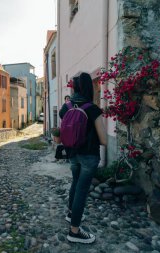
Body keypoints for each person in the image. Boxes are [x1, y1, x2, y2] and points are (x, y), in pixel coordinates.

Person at [59, 72, 107, 244]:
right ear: (89, 87)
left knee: (75, 182)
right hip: (89, 156)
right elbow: (103, 140)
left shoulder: (67, 106)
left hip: (72, 153)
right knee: (82, 190)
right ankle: (74, 231)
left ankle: (71, 213)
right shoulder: (92, 109)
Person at [55, 95, 71, 161]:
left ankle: (65, 157)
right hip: (66, 126)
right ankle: (64, 157)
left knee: (67, 143)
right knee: (66, 143)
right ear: (65, 100)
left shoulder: (69, 106)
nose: (68, 100)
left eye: (69, 99)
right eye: (67, 99)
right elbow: (61, 115)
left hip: (68, 126)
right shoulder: (65, 106)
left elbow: (61, 115)